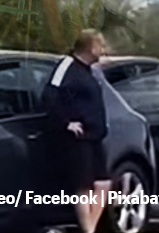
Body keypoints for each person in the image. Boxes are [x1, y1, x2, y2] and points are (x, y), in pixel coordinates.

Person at [42, 30, 110, 233]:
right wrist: (66, 122)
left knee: (103, 184)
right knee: (83, 186)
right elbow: (49, 95)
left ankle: (91, 225)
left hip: (96, 136)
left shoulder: (90, 71)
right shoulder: (66, 66)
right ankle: (87, 229)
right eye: (101, 46)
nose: (103, 50)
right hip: (77, 138)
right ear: (90, 47)